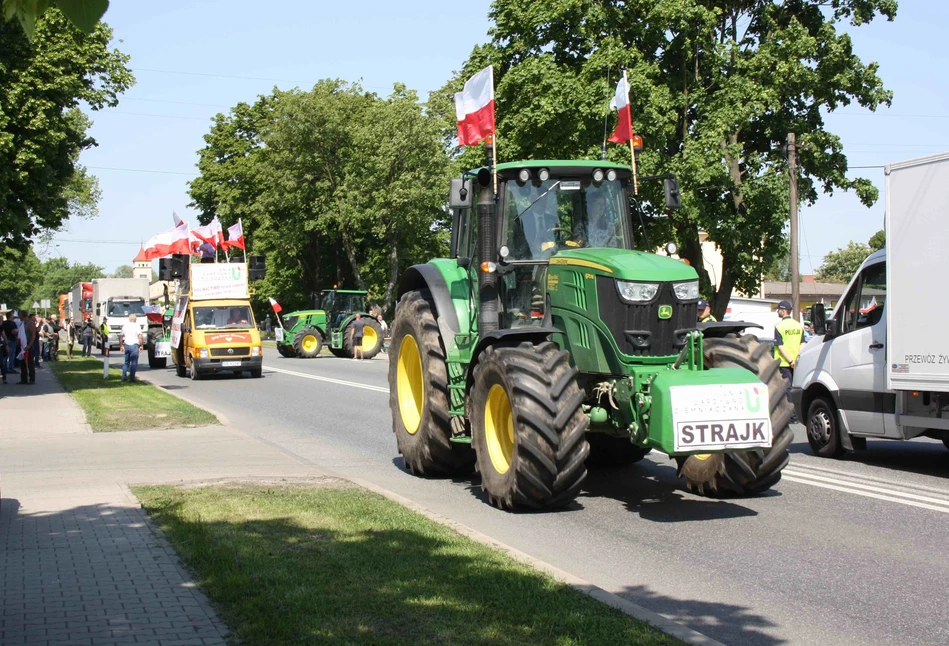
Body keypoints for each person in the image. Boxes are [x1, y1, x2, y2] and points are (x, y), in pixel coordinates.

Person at [774, 300, 805, 422]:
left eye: (778, 310)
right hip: (796, 363)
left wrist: (790, 360)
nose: (778, 312)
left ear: (783, 311)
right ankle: (797, 414)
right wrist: (796, 359)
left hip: (784, 363)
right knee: (796, 388)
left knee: (787, 390)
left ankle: (792, 416)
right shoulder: (798, 325)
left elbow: (780, 347)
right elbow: (803, 343)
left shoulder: (779, 326)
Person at [119, 313, 144, 382]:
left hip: (126, 345)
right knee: (134, 363)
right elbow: (140, 336)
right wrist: (141, 345)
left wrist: (121, 345)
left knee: (126, 362)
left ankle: (124, 377)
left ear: (129, 319)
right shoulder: (137, 326)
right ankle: (132, 378)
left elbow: (121, 336)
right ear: (135, 319)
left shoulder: (125, 326)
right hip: (134, 345)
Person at [17, 310, 35, 385]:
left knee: (30, 363)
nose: (19, 317)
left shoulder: (30, 323)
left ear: (23, 316)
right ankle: (23, 379)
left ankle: (31, 379)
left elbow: (33, 335)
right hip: (22, 346)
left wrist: (29, 345)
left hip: (28, 345)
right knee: (22, 363)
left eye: (20, 315)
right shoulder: (22, 323)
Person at [2, 311, 18, 376]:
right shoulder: (13, 323)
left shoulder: (3, 323)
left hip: (5, 340)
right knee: (11, 355)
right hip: (11, 339)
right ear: (11, 316)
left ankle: (4, 368)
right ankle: (11, 368)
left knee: (5, 355)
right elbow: (14, 331)